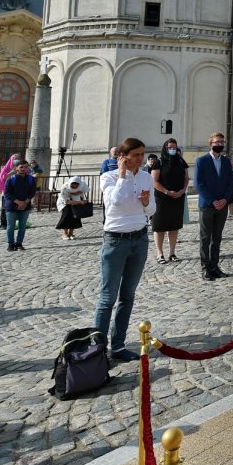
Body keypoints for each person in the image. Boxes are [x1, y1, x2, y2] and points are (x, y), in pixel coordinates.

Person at [96, 138, 154, 362]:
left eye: (142, 154)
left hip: (139, 239)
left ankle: (118, 345)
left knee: (127, 296)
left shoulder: (146, 176)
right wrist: (122, 174)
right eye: (136, 155)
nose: (140, 159)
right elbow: (116, 202)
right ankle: (98, 349)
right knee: (107, 298)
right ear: (124, 156)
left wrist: (147, 201)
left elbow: (151, 211)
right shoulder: (108, 177)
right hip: (115, 241)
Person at [194, 131, 233, 281]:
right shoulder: (201, 161)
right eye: (217, 142)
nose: (219, 145)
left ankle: (214, 266)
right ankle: (205, 268)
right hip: (207, 205)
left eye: (222, 142)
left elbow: (230, 183)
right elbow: (198, 184)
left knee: (217, 237)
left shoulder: (226, 161)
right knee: (205, 237)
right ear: (210, 144)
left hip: (222, 206)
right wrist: (213, 200)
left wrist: (225, 199)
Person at [151, 138, 189, 264]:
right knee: (160, 226)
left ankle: (172, 253)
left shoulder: (181, 161)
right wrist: (167, 192)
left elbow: (186, 177)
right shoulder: (159, 162)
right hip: (162, 199)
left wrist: (183, 190)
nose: (172, 149)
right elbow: (154, 181)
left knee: (174, 226)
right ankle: (160, 253)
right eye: (170, 147)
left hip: (178, 198)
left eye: (174, 147)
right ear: (165, 148)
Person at [2, 159, 38, 251]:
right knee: (11, 226)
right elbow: (7, 193)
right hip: (11, 206)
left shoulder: (31, 179)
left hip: (25, 206)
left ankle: (19, 243)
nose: (23, 169)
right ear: (16, 168)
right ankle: (11, 244)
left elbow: (32, 192)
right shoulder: (11, 179)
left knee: (22, 226)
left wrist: (25, 202)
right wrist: (18, 202)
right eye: (21, 167)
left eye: (25, 167)